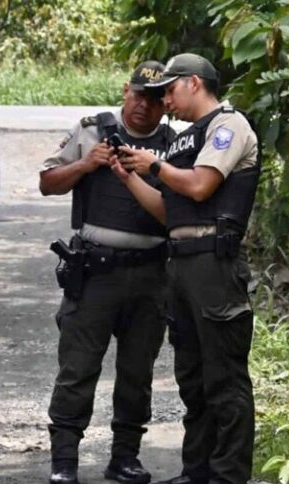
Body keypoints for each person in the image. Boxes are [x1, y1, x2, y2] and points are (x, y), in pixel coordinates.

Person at [113, 53, 260, 484]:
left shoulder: (227, 126)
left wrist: (154, 165)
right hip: (183, 265)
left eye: (170, 90)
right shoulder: (185, 139)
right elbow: (168, 211)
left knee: (225, 380)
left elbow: (200, 186)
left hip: (215, 265)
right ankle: (197, 472)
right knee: (193, 380)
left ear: (194, 83)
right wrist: (129, 176)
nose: (165, 100)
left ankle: (229, 476)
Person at [40, 61, 176, 484]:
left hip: (151, 274)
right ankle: (64, 462)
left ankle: (125, 457)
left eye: (154, 99)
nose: (143, 106)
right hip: (95, 272)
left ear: (165, 104)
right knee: (78, 369)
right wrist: (87, 165)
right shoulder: (91, 130)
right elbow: (48, 182)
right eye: (138, 95)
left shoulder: (174, 143)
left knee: (137, 374)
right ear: (124, 91)